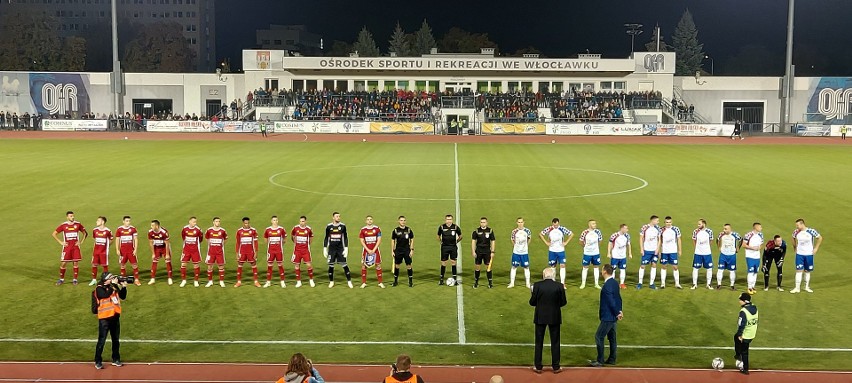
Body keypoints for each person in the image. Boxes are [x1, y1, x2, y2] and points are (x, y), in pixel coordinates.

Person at [529, 267, 567, 374]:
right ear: (553, 275)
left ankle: (538, 366)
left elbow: (532, 302)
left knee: (539, 342)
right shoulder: (559, 286)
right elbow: (563, 302)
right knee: (555, 342)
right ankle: (556, 367)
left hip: (540, 317)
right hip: (554, 317)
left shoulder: (537, 285)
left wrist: (532, 294)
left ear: (543, 275)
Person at [589, 264, 623, 367]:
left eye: (602, 269)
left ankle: (600, 360)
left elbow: (611, 301)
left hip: (608, 316)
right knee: (612, 338)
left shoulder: (607, 286)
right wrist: (619, 311)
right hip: (613, 316)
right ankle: (612, 359)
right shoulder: (614, 283)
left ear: (604, 272)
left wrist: (617, 312)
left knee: (599, 336)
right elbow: (618, 298)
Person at [92, 272, 127, 369]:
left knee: (116, 340)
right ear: (106, 279)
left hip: (115, 317)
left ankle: (116, 359)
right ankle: (98, 361)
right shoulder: (99, 288)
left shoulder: (113, 286)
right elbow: (105, 295)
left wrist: (123, 287)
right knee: (101, 341)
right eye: (111, 278)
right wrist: (114, 285)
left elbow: (123, 296)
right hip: (104, 318)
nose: (113, 279)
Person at [53, 211, 89, 286]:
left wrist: (81, 241)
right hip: (67, 247)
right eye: (71, 216)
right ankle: (61, 279)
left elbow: (85, 233)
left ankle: (75, 279)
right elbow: (54, 234)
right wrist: (61, 242)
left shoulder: (78, 224)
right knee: (63, 263)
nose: (72, 217)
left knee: (75, 263)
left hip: (75, 247)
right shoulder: (63, 225)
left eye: (73, 216)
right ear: (67, 217)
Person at [790, 218, 822, 294]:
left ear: (802, 224)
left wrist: (816, 248)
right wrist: (795, 247)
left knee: (807, 271)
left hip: (809, 254)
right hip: (800, 254)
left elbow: (820, 238)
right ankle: (797, 288)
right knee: (799, 270)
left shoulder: (811, 231)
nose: (796, 227)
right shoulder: (796, 232)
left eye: (797, 225)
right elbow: (792, 238)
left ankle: (806, 287)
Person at [539, 218, 573, 287]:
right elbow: (540, 234)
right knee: (552, 266)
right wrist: (546, 242)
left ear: (559, 223)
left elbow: (571, 234)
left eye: (557, 225)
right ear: (552, 224)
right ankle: (553, 282)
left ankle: (562, 283)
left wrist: (566, 242)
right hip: (552, 250)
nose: (556, 226)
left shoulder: (562, 228)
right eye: (554, 225)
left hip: (561, 251)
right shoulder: (549, 229)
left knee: (562, 265)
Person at [324, 212, 353, 288]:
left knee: (344, 264)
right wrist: (324, 248)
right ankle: (331, 282)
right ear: (333, 217)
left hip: (340, 249)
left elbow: (345, 238)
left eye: (339, 216)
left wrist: (346, 248)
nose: (338, 217)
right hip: (332, 249)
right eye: (337, 216)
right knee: (331, 265)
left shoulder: (342, 226)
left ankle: (349, 281)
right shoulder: (329, 226)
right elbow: (326, 238)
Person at [734, 292, 759, 375]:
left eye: (740, 300)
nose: (739, 301)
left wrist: (740, 334)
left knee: (745, 351)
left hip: (745, 335)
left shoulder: (743, 311)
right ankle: (738, 354)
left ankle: (745, 369)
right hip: (752, 333)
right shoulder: (754, 307)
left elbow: (741, 324)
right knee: (735, 337)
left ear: (745, 301)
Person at [234, 217, 260, 288]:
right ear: (243, 223)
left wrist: (256, 252)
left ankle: (256, 281)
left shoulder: (253, 231)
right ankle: (239, 282)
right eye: (245, 223)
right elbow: (238, 243)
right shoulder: (239, 231)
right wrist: (237, 253)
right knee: (240, 265)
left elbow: (256, 242)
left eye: (248, 223)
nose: (247, 224)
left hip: (251, 251)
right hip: (242, 252)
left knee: (253, 264)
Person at [115, 216, 141, 286]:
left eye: (129, 221)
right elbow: (117, 239)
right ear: (123, 221)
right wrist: (117, 249)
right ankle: (123, 280)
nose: (128, 222)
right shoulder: (119, 229)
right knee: (122, 265)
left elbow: (136, 239)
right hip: (122, 251)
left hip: (131, 250)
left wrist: (135, 249)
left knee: (134, 265)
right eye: (126, 221)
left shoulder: (133, 229)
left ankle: (136, 279)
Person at [658, 216, 683, 289]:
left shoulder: (676, 229)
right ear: (664, 222)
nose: (668, 224)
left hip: (673, 251)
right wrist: (659, 251)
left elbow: (679, 239)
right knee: (664, 266)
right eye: (667, 222)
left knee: (675, 267)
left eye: (669, 222)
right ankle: (663, 284)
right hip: (664, 251)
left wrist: (680, 250)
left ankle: (677, 283)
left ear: (671, 222)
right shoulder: (661, 230)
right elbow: (659, 240)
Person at [436, 214, 462, 285]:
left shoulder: (455, 227)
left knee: (453, 262)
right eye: (447, 219)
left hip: (453, 247)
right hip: (444, 247)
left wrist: (456, 241)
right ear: (445, 220)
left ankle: (455, 279)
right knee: (443, 262)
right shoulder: (442, 227)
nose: (449, 221)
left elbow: (460, 236)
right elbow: (438, 236)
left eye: (450, 219)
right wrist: (441, 242)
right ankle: (441, 279)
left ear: (452, 220)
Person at [359, 215, 384, 288]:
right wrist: (368, 249)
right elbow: (362, 241)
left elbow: (379, 240)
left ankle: (380, 282)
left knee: (378, 265)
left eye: (370, 219)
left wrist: (373, 249)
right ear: (365, 221)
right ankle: (364, 283)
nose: (369, 221)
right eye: (368, 219)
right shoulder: (363, 230)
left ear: (372, 220)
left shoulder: (377, 229)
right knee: (364, 266)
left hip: (375, 250)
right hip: (366, 250)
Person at [470, 216, 496, 289]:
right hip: (479, 251)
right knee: (477, 267)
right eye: (481, 222)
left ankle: (490, 283)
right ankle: (476, 282)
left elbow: (493, 241)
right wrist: (473, 251)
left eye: (484, 222)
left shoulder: (490, 230)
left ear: (487, 223)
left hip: (487, 251)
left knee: (488, 267)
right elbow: (473, 241)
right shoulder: (476, 231)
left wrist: (493, 251)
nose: (482, 224)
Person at [636, 215, 661, 290]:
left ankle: (651, 283)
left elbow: (659, 239)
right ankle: (640, 283)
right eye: (657, 220)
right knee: (643, 265)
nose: (658, 222)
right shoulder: (644, 227)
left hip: (654, 251)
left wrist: (658, 249)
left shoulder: (658, 228)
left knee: (654, 265)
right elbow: (641, 238)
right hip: (646, 250)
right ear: (652, 220)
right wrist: (641, 249)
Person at [263, 215, 288, 288]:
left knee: (280, 265)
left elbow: (285, 238)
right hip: (270, 250)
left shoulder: (281, 229)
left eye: (276, 220)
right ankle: (268, 282)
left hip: (279, 250)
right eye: (274, 220)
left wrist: (280, 244)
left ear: (278, 221)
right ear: (271, 221)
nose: (275, 221)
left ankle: (282, 281)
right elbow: (265, 239)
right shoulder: (268, 229)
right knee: (269, 266)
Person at [291, 216, 316, 288]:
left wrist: (307, 244)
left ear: (305, 221)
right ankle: (298, 282)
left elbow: (311, 237)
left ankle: (311, 280)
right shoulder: (295, 228)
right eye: (301, 221)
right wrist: (295, 243)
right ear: (299, 222)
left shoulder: (308, 229)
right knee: (296, 265)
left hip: (305, 250)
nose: (302, 223)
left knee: (308, 265)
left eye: (303, 221)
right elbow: (292, 236)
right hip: (297, 250)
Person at [578, 219, 604, 289]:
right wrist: (585, 247)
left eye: (595, 223)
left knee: (596, 267)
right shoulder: (585, 232)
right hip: (587, 253)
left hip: (596, 253)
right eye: (593, 224)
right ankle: (583, 283)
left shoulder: (598, 232)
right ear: (589, 225)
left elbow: (600, 240)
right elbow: (580, 241)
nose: (595, 225)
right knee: (585, 267)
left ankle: (596, 283)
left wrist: (596, 247)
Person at [179, 217, 204, 288]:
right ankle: (183, 280)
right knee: (183, 264)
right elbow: (183, 236)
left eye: (195, 222)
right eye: (193, 222)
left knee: (196, 265)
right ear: (189, 221)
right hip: (186, 250)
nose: (194, 223)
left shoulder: (198, 230)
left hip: (195, 250)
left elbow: (200, 239)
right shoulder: (185, 229)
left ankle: (196, 281)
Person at [390, 216, 415, 287]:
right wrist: (392, 251)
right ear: (398, 221)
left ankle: (410, 282)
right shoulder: (395, 230)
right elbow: (393, 241)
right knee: (397, 265)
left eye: (404, 220)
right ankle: (395, 281)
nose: (403, 222)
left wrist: (412, 249)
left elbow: (412, 239)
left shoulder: (409, 230)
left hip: (407, 250)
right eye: (401, 220)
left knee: (409, 265)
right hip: (398, 250)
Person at [204, 217, 228, 288]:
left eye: (219, 221)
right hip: (211, 252)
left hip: (220, 252)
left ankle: (221, 281)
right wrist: (210, 244)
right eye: (216, 221)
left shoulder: (223, 231)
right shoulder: (209, 230)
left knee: (221, 266)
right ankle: (210, 281)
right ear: (213, 222)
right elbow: (206, 238)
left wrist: (222, 245)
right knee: (209, 266)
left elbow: (226, 238)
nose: (218, 223)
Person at [508, 217, 532, 289]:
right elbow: (512, 239)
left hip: (524, 253)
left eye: (521, 222)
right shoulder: (514, 231)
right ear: (517, 223)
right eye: (519, 222)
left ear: (524, 222)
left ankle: (527, 283)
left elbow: (529, 239)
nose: (520, 224)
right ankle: (512, 283)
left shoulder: (527, 231)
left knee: (526, 267)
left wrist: (526, 246)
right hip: (516, 252)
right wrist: (516, 246)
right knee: (514, 267)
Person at [691, 219, 715, 290]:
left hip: (707, 253)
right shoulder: (695, 231)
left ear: (704, 224)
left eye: (699, 224)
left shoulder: (709, 231)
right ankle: (694, 284)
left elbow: (711, 240)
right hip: (698, 253)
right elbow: (694, 240)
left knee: (709, 268)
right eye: (698, 224)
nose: (698, 225)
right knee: (695, 268)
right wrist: (697, 248)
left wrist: (707, 247)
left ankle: (708, 284)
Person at [147, 220, 172, 285]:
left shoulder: (164, 232)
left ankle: (170, 278)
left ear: (157, 226)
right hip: (156, 248)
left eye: (152, 225)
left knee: (168, 261)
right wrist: (153, 253)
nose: (151, 227)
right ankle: (152, 279)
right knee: (154, 262)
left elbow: (167, 243)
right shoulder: (150, 232)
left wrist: (167, 254)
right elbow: (151, 243)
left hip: (164, 247)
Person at [716, 224, 741, 290]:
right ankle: (719, 284)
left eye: (726, 229)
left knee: (732, 271)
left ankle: (732, 285)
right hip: (723, 255)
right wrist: (719, 247)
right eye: (724, 228)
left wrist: (738, 247)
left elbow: (741, 239)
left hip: (732, 255)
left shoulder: (735, 234)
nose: (724, 230)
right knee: (720, 270)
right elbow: (717, 240)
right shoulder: (721, 234)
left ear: (730, 229)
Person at [89, 217, 113, 286]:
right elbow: (95, 239)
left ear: (102, 222)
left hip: (104, 252)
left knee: (104, 265)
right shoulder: (95, 230)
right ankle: (94, 280)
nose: (96, 222)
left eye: (98, 220)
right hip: (96, 251)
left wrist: (107, 246)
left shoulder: (108, 231)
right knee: (94, 264)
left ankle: (105, 280)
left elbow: (111, 239)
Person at [607, 224, 632, 289]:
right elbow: (610, 243)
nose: (627, 230)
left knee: (623, 269)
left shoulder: (627, 236)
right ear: (622, 228)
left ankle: (622, 283)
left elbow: (628, 245)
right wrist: (609, 253)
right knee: (613, 270)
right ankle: (612, 283)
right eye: (626, 228)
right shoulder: (614, 235)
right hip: (615, 256)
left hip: (623, 256)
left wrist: (629, 253)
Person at [742, 223, 764, 295]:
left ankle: (753, 286)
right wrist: (752, 248)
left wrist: (759, 248)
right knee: (750, 271)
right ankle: (749, 287)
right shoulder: (748, 235)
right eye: (760, 227)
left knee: (755, 271)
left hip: (757, 256)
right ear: (756, 227)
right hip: (750, 256)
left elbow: (761, 244)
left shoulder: (761, 235)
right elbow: (743, 245)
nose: (761, 228)